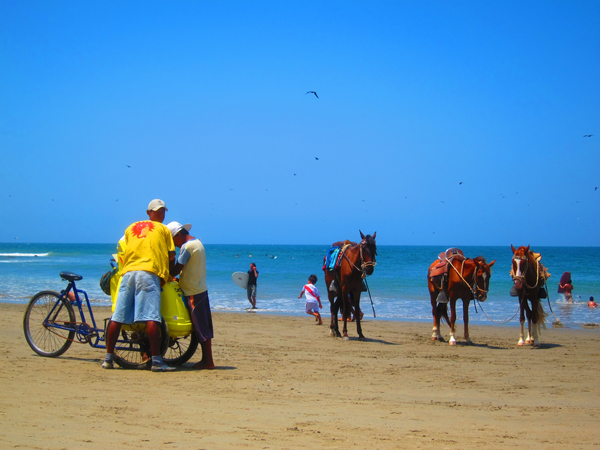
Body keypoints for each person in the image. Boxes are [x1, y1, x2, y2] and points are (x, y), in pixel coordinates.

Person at [102, 199, 176, 372]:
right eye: (158, 211)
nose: (162, 214)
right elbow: (171, 256)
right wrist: (169, 274)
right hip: (148, 272)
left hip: (128, 273)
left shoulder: (130, 228)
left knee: (118, 317)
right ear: (148, 212)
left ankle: (108, 359)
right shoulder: (164, 229)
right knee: (152, 317)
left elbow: (125, 249)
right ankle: (157, 361)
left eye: (163, 211)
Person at [167, 221, 215, 370]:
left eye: (172, 240)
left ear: (178, 235)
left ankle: (208, 361)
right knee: (203, 324)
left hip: (193, 291)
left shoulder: (187, 247)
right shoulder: (197, 242)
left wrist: (170, 257)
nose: (174, 244)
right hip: (199, 287)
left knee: (200, 326)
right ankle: (207, 360)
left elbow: (175, 269)